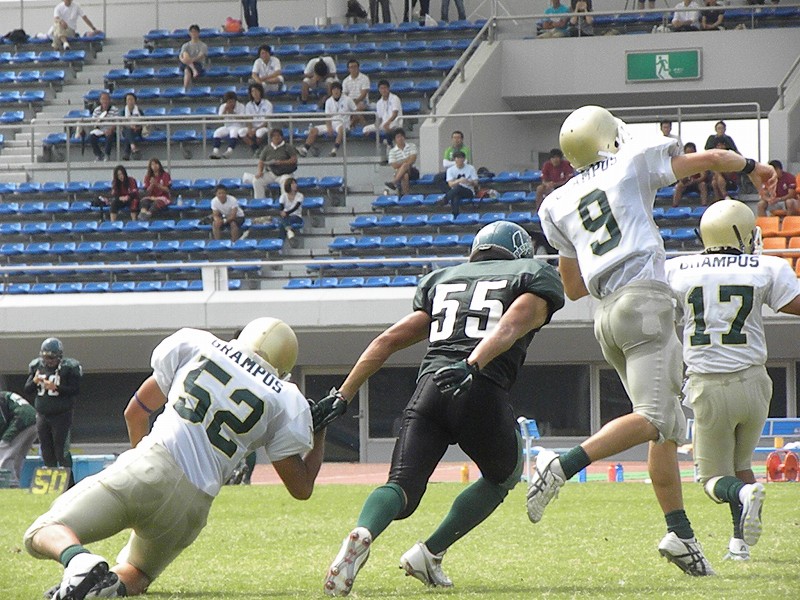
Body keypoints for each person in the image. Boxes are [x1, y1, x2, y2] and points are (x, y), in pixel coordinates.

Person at [532, 105, 777, 576]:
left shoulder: (555, 203)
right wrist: (754, 166)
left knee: (666, 430)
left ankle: (681, 535)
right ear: (608, 137)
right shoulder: (629, 162)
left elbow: (573, 287)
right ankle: (560, 465)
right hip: (643, 300)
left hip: (606, 316)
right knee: (654, 418)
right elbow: (713, 159)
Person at [323, 221, 565, 597]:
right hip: (478, 386)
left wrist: (343, 395)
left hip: (430, 389)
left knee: (401, 487)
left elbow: (387, 340)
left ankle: (363, 531)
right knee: (502, 476)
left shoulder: (445, 281)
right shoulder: (531, 275)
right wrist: (472, 364)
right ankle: (430, 552)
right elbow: (508, 327)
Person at [24, 318, 329, 598]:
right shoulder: (284, 397)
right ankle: (97, 588)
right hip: (192, 507)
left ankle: (78, 561)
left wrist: (140, 465)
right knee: (138, 573)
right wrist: (320, 434)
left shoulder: (199, 345)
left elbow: (135, 413)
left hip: (152, 464)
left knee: (42, 531)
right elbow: (301, 488)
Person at [665, 200, 800, 561]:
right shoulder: (767, 267)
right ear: (741, 233)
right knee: (741, 466)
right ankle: (739, 546)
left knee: (711, 480)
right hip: (755, 383)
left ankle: (742, 496)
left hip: (709, 385)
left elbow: (659, 315)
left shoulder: (677, 269)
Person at [24, 338, 82, 489]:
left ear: (59, 356)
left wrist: (56, 387)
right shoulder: (37, 366)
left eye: (52, 358)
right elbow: (27, 389)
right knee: (46, 451)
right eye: (46, 357)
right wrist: (35, 381)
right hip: (42, 415)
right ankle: (52, 485)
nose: (48, 361)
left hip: (61, 415)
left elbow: (75, 390)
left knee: (61, 451)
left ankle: (69, 485)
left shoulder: (68, 368)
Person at [297, 82, 357, 158]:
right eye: (334, 89)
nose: (336, 91)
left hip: (343, 123)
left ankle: (334, 150)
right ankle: (305, 149)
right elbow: (327, 116)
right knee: (314, 130)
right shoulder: (328, 101)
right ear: (331, 91)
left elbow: (356, 112)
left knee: (341, 129)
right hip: (332, 123)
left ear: (340, 91)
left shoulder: (348, 100)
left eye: (337, 89)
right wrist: (329, 127)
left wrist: (352, 123)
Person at [0, 390, 38, 489]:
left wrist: (5, 439)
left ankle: (11, 483)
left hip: (21, 420)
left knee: (3, 452)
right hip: (34, 420)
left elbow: (2, 421)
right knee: (18, 456)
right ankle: (15, 483)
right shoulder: (5, 395)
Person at [251, 128, 298, 199]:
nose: (276, 137)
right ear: (271, 138)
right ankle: (260, 200)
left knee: (286, 182)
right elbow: (261, 161)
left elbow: (294, 160)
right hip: (272, 172)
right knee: (257, 180)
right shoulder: (267, 148)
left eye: (278, 135)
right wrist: (260, 172)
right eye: (274, 136)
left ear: (282, 137)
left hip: (285, 173)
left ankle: (285, 201)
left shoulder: (288, 147)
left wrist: (281, 162)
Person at [210, 91, 246, 159]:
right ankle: (215, 151)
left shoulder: (241, 106)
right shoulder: (223, 106)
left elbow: (242, 119)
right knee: (217, 132)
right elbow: (220, 119)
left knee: (233, 132)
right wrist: (224, 111)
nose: (230, 103)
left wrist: (232, 113)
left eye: (232, 101)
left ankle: (229, 151)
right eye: (229, 102)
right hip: (227, 126)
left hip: (238, 125)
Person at [239, 83, 273, 156]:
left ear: (260, 91)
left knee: (259, 133)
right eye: (252, 91)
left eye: (256, 91)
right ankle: (255, 148)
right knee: (241, 132)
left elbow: (267, 120)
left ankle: (257, 149)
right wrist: (250, 129)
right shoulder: (249, 104)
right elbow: (249, 119)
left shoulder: (267, 104)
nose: (255, 93)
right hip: (253, 127)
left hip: (264, 127)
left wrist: (256, 129)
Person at [672, 142, 709, 207]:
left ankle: (704, 205)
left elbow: (703, 176)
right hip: (686, 183)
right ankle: (674, 205)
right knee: (679, 186)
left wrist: (695, 181)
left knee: (703, 185)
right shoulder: (681, 163)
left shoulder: (700, 162)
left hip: (697, 182)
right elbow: (679, 176)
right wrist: (684, 180)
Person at [444, 151, 478, 217]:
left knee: (458, 188)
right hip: (456, 192)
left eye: (461, 158)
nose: (460, 160)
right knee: (455, 197)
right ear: (454, 159)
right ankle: (455, 215)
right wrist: (458, 181)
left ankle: (445, 200)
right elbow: (450, 184)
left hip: (468, 191)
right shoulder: (450, 170)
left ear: (464, 159)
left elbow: (476, 183)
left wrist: (468, 182)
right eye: (458, 158)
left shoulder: (471, 168)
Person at [386, 128, 418, 196]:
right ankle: (406, 195)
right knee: (405, 175)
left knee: (406, 165)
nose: (400, 138)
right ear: (395, 140)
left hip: (412, 171)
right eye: (398, 137)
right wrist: (407, 159)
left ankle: (394, 182)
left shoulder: (411, 146)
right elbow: (394, 165)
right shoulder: (392, 151)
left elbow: (413, 159)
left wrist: (402, 163)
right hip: (399, 172)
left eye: (401, 136)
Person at [87, 91, 117, 162]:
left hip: (110, 129)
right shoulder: (97, 110)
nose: (105, 101)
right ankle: (99, 154)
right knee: (91, 137)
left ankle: (107, 154)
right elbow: (93, 122)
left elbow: (116, 122)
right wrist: (97, 122)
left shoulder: (114, 109)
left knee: (110, 136)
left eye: (106, 99)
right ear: (100, 100)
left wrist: (110, 129)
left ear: (109, 100)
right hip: (100, 130)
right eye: (103, 99)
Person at [341, 59, 370, 126]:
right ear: (348, 69)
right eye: (351, 67)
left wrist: (355, 101)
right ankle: (364, 124)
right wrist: (350, 102)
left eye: (355, 66)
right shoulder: (345, 81)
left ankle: (350, 125)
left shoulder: (364, 78)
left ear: (358, 67)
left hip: (362, 101)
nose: (353, 69)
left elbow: (364, 94)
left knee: (357, 107)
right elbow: (344, 95)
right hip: (350, 101)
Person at [179, 24, 208, 91]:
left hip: (198, 64)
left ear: (198, 33)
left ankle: (185, 88)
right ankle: (193, 70)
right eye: (192, 32)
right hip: (185, 63)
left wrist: (190, 60)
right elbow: (181, 56)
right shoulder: (186, 45)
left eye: (195, 32)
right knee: (185, 54)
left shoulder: (203, 45)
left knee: (187, 70)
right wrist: (183, 60)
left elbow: (201, 56)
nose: (193, 33)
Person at [120, 92, 143, 161]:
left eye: (132, 99)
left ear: (135, 101)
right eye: (128, 100)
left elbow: (144, 122)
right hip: (126, 129)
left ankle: (127, 153)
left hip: (137, 130)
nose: (130, 101)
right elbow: (121, 123)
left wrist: (137, 127)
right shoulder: (123, 111)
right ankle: (133, 147)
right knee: (128, 131)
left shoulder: (139, 111)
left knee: (128, 134)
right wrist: (130, 126)